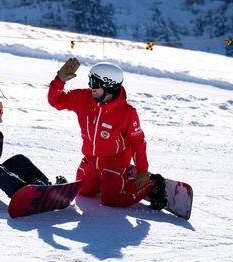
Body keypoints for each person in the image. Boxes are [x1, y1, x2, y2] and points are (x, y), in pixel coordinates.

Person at [48, 57, 166, 210]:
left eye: (95, 84)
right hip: (91, 160)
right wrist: (59, 80)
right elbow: (55, 101)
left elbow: (137, 142)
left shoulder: (127, 112)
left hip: (115, 162)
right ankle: (124, 176)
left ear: (109, 86)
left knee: (111, 199)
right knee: (83, 191)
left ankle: (153, 182)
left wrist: (143, 170)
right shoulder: (83, 98)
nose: (91, 87)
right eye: (90, 81)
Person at [0, 58, 64, 198]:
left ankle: (46, 188)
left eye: (1, 107)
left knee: (19, 160)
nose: (0, 110)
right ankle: (22, 194)